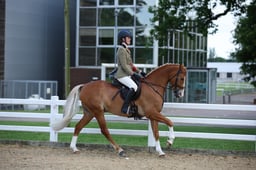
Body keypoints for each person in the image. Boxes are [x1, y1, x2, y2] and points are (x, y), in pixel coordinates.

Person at [115, 30, 146, 115]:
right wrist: (133, 74)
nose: (130, 39)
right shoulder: (121, 50)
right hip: (122, 75)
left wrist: (140, 72)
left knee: (139, 85)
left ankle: (134, 106)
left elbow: (131, 64)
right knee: (134, 87)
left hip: (127, 74)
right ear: (123, 39)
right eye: (128, 38)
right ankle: (125, 107)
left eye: (129, 38)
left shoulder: (127, 50)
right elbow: (124, 66)